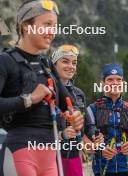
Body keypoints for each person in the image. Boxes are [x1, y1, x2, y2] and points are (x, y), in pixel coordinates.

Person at [0, 1, 84, 175]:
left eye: (54, 26)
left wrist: (75, 116)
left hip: (50, 157)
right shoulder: (5, 61)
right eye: (46, 25)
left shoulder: (46, 65)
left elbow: (68, 102)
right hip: (19, 153)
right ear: (26, 26)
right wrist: (29, 99)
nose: (52, 31)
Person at [52, 44, 104, 176]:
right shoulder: (47, 91)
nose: (70, 66)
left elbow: (88, 124)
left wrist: (94, 135)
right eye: (65, 61)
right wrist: (61, 135)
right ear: (54, 65)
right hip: (50, 155)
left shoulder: (78, 94)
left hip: (74, 155)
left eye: (74, 63)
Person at [87, 63, 128, 176]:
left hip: (127, 170)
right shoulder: (91, 109)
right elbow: (85, 143)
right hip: (101, 170)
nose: (115, 83)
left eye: (119, 79)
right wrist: (100, 150)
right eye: (110, 79)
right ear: (102, 83)